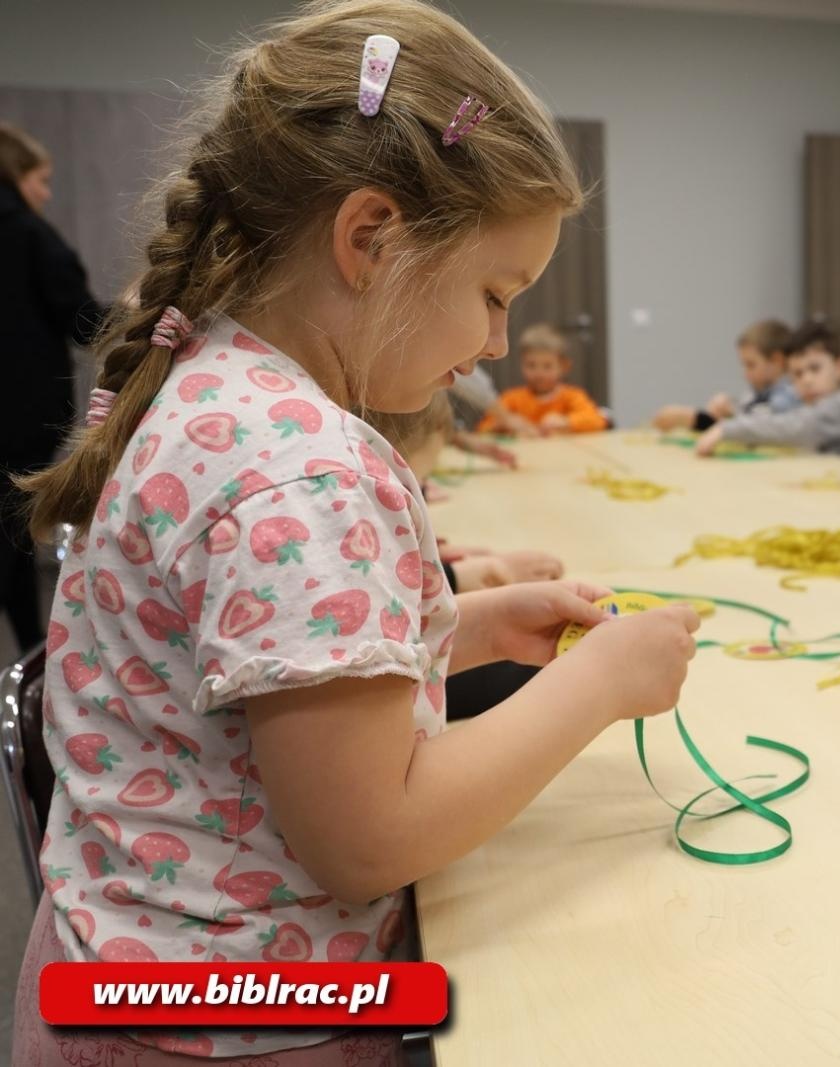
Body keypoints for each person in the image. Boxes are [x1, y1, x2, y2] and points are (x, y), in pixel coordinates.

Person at [12, 3, 698, 1062]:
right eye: (493, 293)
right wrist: (600, 684)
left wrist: (463, 626)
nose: (498, 342)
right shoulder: (305, 471)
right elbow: (372, 838)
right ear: (371, 237)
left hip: (120, 974)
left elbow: (258, 673)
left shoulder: (218, 389)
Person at [0, 122, 104, 650]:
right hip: (20, 416)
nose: (45, 194)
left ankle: (30, 646)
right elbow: (83, 322)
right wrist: (138, 316)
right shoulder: (28, 235)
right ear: (15, 175)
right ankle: (34, 650)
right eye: (40, 180)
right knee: (11, 536)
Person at [694, 319, 840, 458]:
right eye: (798, 374)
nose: (807, 380)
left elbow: (789, 428)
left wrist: (727, 429)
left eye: (815, 368)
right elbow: (773, 419)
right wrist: (731, 414)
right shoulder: (810, 405)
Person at [653, 318, 799, 431]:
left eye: (751, 365)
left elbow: (759, 427)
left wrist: (704, 420)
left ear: (777, 361)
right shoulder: (756, 392)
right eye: (744, 365)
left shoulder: (788, 395)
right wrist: (725, 410)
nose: (745, 373)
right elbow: (744, 414)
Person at [476, 323, 606, 435]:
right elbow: (482, 429)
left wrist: (566, 421)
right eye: (531, 365)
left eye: (547, 366)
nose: (539, 373)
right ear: (521, 364)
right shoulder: (512, 398)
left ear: (564, 367)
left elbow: (597, 421)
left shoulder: (572, 396)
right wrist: (501, 425)